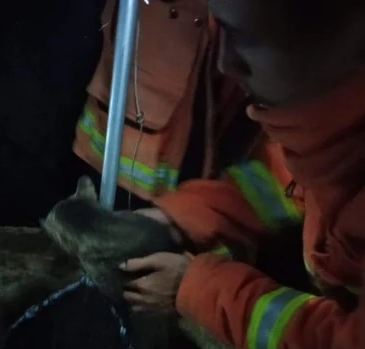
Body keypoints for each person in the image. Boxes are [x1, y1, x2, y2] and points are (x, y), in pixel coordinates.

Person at [120, 0, 365, 349]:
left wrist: (198, 290)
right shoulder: (351, 110)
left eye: (243, 38)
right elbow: (291, 179)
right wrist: (182, 217)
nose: (225, 63)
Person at [72, 0, 302, 261]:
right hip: (121, 171)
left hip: (216, 223)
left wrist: (180, 221)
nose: (229, 62)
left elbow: (293, 175)